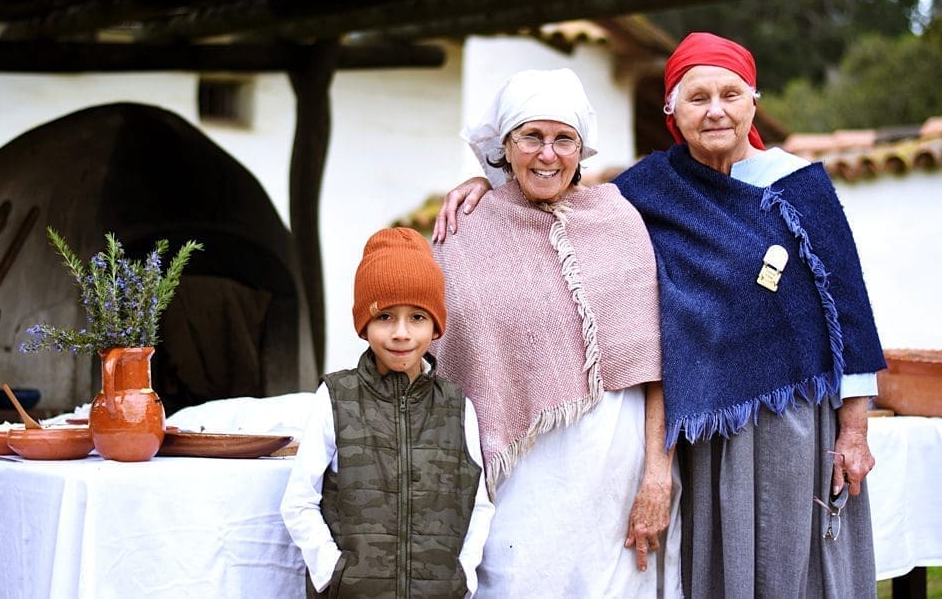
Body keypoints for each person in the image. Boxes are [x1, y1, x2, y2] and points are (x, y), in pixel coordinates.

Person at [434, 34, 886, 598]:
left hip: (787, 420)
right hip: (698, 427)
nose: (716, 110)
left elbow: (850, 312)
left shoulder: (798, 185)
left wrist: (855, 429)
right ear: (672, 111)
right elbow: (560, 191)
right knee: (712, 568)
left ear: (753, 101)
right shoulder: (649, 188)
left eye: (730, 94)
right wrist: (485, 182)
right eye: (698, 98)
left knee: (791, 562)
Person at [430, 67, 682, 597]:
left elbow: (657, 362)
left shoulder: (619, 216)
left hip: (622, 471)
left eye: (563, 138)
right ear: (504, 145)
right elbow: (445, 362)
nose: (548, 154)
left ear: (582, 146)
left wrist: (659, 475)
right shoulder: (467, 231)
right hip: (524, 481)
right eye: (531, 137)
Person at [280, 227, 494, 598]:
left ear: (436, 324)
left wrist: (463, 575)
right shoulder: (335, 397)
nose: (401, 333)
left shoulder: (458, 406)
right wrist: (335, 575)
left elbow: (479, 503)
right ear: (364, 324)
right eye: (385, 317)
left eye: (417, 317)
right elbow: (298, 501)